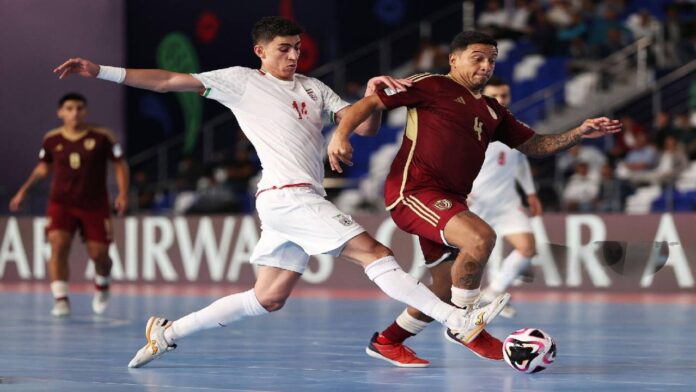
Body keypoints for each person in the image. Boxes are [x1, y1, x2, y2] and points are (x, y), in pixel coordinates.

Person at [53, 17, 509, 369]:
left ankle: (168, 333)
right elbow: (170, 81)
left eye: (297, 49)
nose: (293, 56)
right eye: (283, 50)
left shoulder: (313, 86)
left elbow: (363, 125)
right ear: (261, 52)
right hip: (287, 194)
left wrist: (370, 93)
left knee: (267, 297)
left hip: (294, 200)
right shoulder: (240, 80)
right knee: (374, 251)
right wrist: (102, 71)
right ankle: (457, 320)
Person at [328, 30, 621, 367]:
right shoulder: (432, 84)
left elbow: (536, 145)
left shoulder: (493, 111)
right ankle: (465, 325)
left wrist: (579, 132)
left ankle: (387, 341)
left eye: (492, 60)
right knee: (481, 237)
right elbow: (373, 102)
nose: (486, 66)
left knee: (441, 288)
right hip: (414, 192)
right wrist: (340, 135)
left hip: (452, 200)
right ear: (454, 60)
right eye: (478, 58)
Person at [9, 93, 129, 318]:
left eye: (79, 108)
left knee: (100, 256)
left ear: (86, 112)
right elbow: (43, 169)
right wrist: (22, 191)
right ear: (60, 113)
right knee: (58, 245)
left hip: (94, 204)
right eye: (70, 108)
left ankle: (102, 285)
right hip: (61, 203)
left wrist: (122, 193)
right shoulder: (52, 139)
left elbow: (120, 165)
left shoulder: (103, 137)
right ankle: (61, 299)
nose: (75, 113)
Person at [470, 78, 542, 319]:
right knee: (471, 255)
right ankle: (461, 304)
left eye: (504, 96)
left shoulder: (516, 127)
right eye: (495, 96)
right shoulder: (472, 127)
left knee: (527, 247)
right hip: (476, 201)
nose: (500, 101)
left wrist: (530, 193)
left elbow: (521, 162)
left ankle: (494, 292)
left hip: (508, 202)